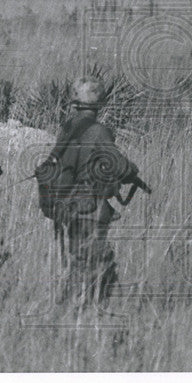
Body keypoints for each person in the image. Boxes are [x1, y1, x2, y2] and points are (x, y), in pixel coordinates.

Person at [42, 77, 139, 305]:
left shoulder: (66, 129)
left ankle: (87, 306)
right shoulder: (99, 131)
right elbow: (119, 165)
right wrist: (132, 170)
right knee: (92, 262)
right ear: (100, 104)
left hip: (68, 206)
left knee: (85, 260)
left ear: (74, 103)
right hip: (90, 208)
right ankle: (77, 309)